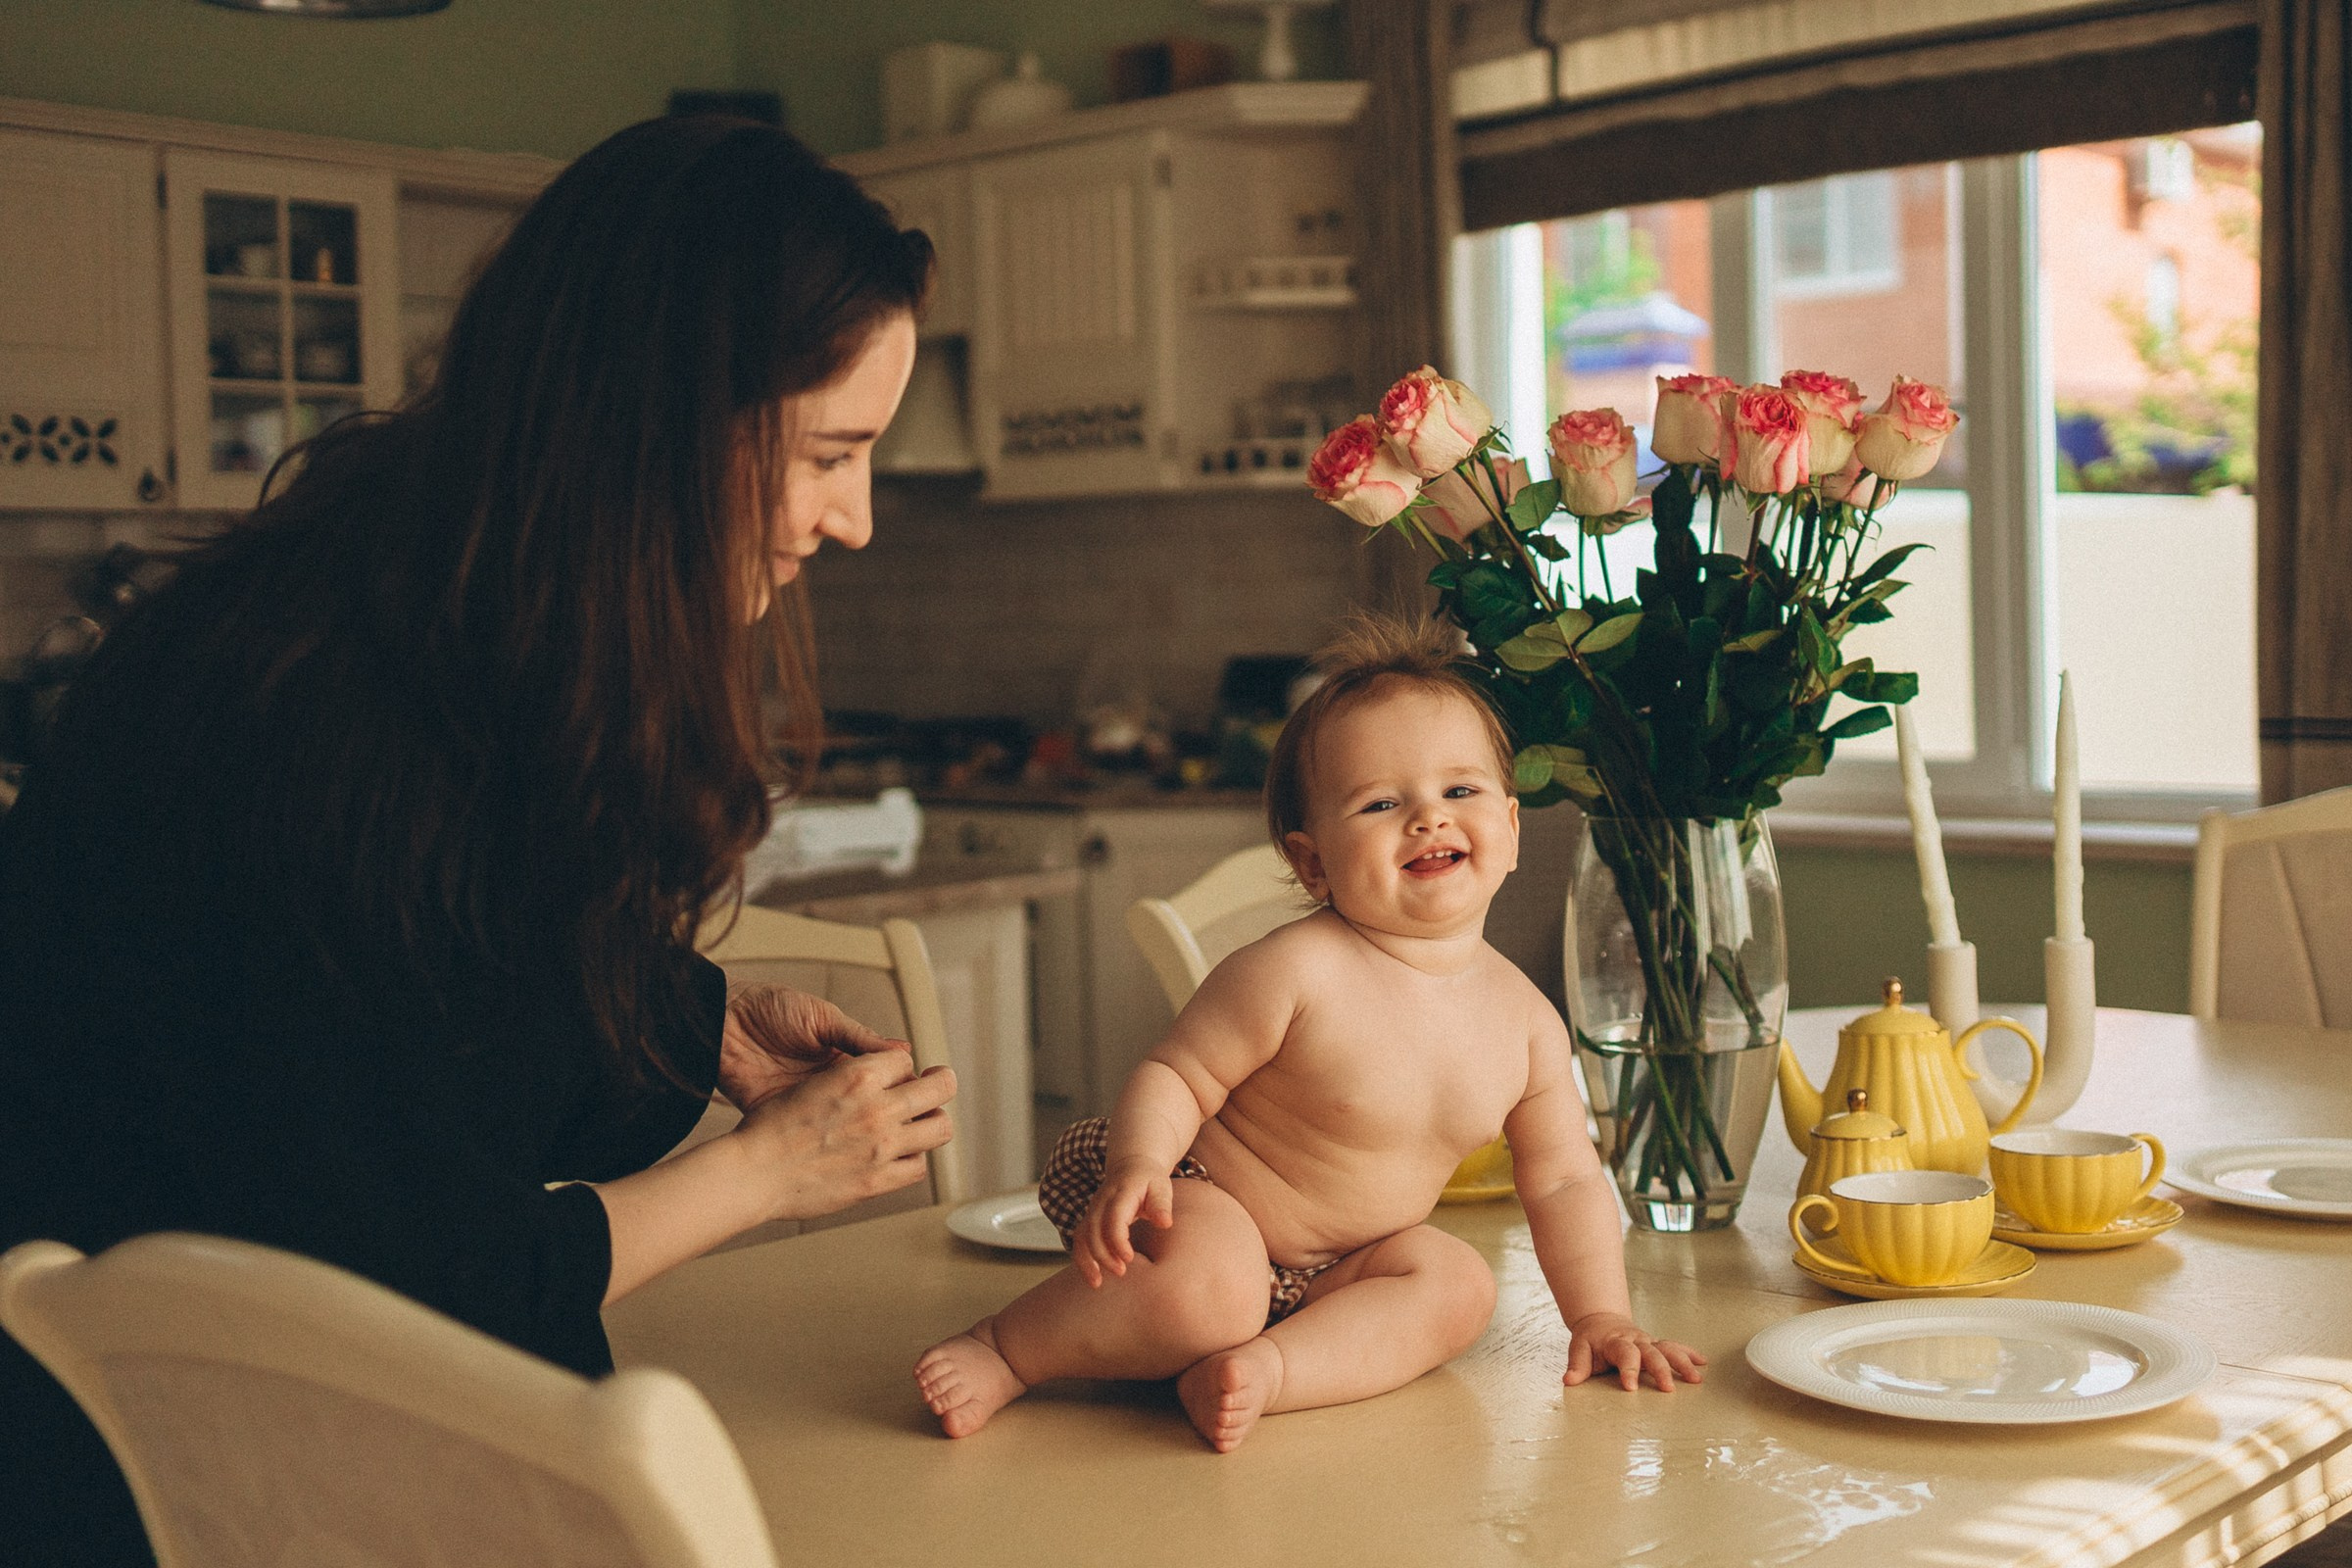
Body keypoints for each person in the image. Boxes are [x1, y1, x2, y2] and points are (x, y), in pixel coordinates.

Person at [0, 116, 956, 1566]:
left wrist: (697, 1028)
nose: (856, 520)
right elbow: (418, 1288)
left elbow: (438, 1034)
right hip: (181, 1489)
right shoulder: (342, 729)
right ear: (664, 415)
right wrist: (765, 1176)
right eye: (831, 452)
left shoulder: (424, 605)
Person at [915, 616, 1705, 1451]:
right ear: (1313, 862)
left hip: (1344, 1264)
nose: (1428, 818)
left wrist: (1601, 1314)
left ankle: (1266, 1370)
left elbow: (1565, 1183)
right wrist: (1140, 1165)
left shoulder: (1529, 1023)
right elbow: (1178, 1074)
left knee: (1459, 1285)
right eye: (1381, 803)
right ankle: (1008, 1348)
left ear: (1510, 828)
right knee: (1213, 1287)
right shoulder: (1296, 970)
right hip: (1207, 1205)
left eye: (1461, 792)